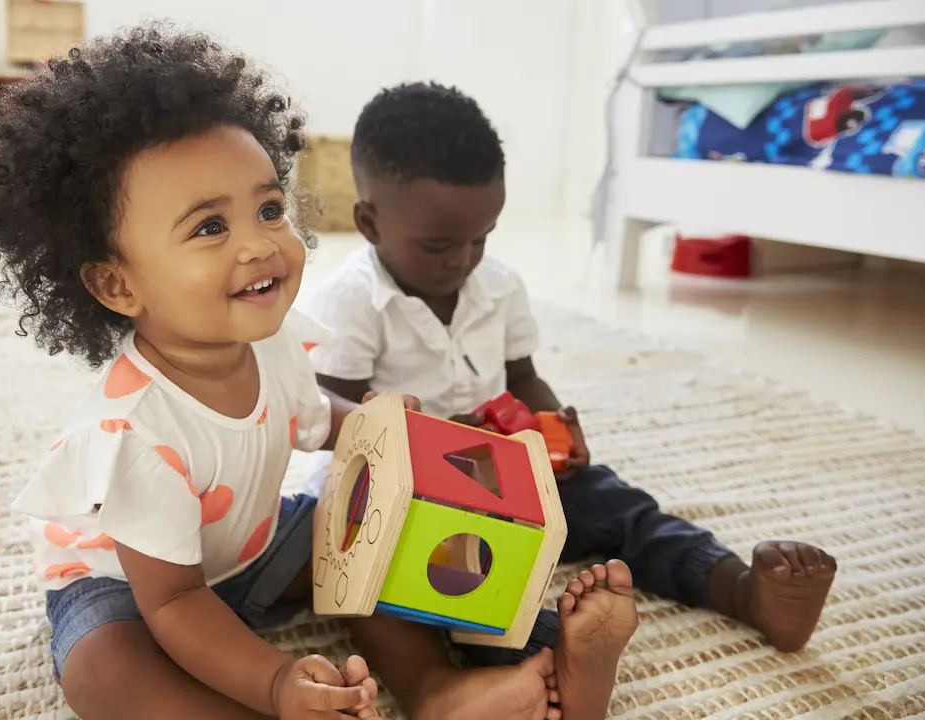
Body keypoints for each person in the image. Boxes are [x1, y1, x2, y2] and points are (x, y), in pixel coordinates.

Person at [0, 26, 632, 720]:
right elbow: (175, 602)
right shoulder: (133, 434)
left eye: (268, 209)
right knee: (105, 675)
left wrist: (397, 436)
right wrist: (277, 682)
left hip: (254, 549)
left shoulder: (275, 345)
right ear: (116, 283)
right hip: (135, 593)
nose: (260, 243)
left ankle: (465, 682)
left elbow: (322, 423)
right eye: (208, 227)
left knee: (381, 532)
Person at [304, 81, 838, 704]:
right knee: (465, 585)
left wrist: (556, 423)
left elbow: (523, 375)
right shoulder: (351, 300)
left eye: (482, 237)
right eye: (440, 245)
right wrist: (438, 447)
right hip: (416, 498)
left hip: (507, 465)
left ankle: (742, 588)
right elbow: (337, 425)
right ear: (369, 223)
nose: (464, 260)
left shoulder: (497, 286)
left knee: (620, 507)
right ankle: (560, 662)